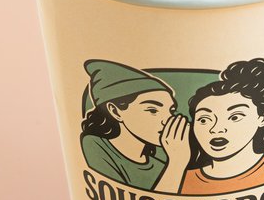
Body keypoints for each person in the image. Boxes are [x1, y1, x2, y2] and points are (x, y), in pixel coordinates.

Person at [180, 58, 264, 195]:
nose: (216, 129)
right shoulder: (186, 177)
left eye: (235, 117)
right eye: (204, 119)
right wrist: (175, 163)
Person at [80, 60, 190, 192]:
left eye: (171, 111)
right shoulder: (94, 145)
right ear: (115, 111)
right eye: (153, 110)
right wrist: (177, 163)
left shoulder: (161, 166)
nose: (167, 120)